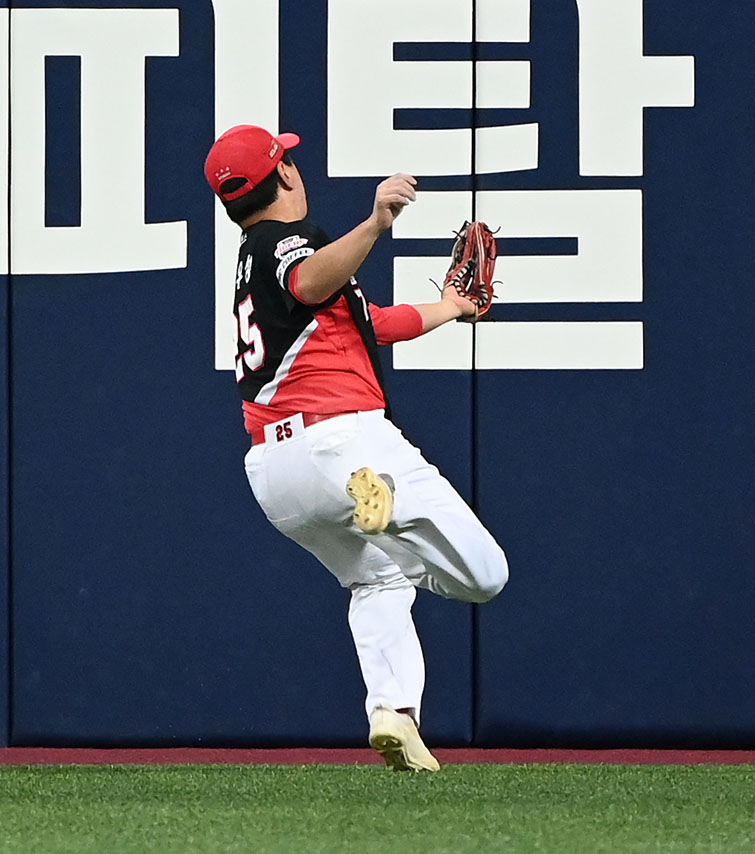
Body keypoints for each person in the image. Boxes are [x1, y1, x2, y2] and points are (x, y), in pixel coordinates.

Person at [204, 124, 508, 772]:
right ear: (283, 173)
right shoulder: (287, 241)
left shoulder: (250, 260)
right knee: (487, 575)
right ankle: (387, 504)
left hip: (275, 472)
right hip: (344, 443)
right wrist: (373, 223)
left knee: (380, 575)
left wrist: (450, 306)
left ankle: (393, 711)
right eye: (288, 158)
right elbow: (311, 279)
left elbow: (369, 322)